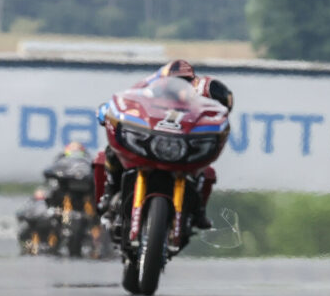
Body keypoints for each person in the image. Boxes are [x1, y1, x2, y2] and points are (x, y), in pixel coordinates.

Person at [97, 59, 233, 229]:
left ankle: (198, 211)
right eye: (178, 79)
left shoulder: (201, 94)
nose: (181, 84)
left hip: (180, 146)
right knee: (109, 153)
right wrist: (106, 111)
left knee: (207, 171)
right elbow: (122, 103)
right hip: (152, 141)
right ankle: (109, 194)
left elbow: (221, 109)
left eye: (186, 81)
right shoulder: (147, 86)